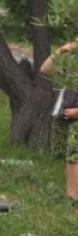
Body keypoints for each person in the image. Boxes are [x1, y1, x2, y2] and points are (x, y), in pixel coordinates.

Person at [41, 39, 78, 205]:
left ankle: (74, 197)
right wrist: (60, 52)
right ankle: (71, 194)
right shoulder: (72, 62)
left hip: (75, 114)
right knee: (69, 156)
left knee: (74, 156)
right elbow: (45, 69)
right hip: (65, 111)